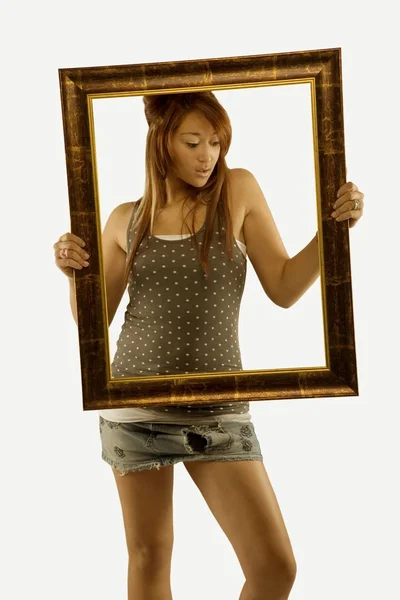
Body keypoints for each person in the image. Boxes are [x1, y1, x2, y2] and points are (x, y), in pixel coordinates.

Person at [53, 92, 364, 600]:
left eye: (216, 142)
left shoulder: (238, 191)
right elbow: (93, 322)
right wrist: (73, 276)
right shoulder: (122, 220)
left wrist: (335, 231)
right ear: (162, 143)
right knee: (150, 557)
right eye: (193, 142)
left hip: (220, 408)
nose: (208, 156)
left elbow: (284, 288)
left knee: (274, 567)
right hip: (135, 408)